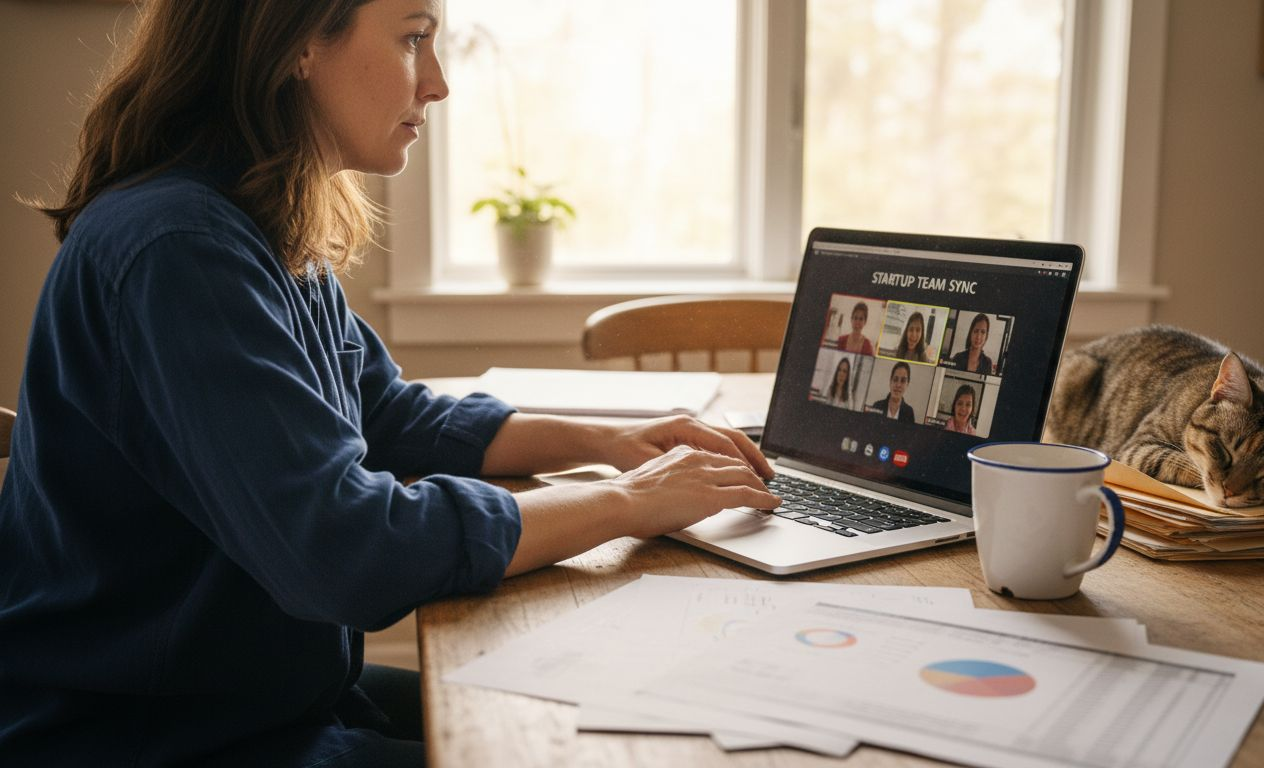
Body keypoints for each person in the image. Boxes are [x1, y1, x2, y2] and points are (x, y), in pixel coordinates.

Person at [0, 2, 779, 766]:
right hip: (145, 734)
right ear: (297, 41)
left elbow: (389, 412)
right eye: (414, 38)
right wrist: (628, 501)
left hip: (253, 698)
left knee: (623, 716)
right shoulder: (181, 250)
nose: (436, 82)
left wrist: (607, 442)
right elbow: (343, 549)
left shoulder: (253, 222)